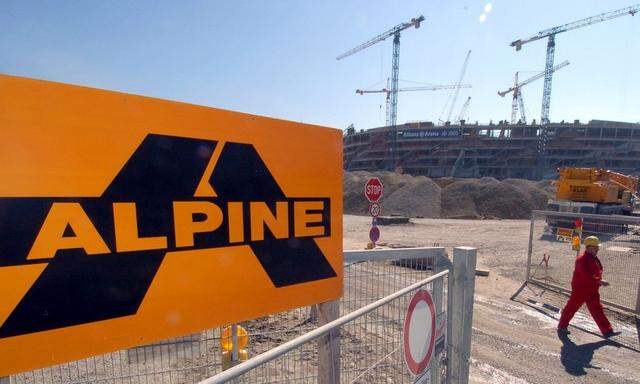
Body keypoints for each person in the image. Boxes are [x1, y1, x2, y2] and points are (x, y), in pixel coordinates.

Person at [557, 236, 620, 338]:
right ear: (589, 247)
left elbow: (596, 271)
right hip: (581, 289)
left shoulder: (592, 257)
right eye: (596, 247)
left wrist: (597, 281)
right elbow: (585, 275)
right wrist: (599, 281)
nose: (598, 249)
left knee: (597, 309)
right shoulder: (582, 259)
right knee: (571, 308)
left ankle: (607, 331)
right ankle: (562, 326)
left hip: (592, 289)